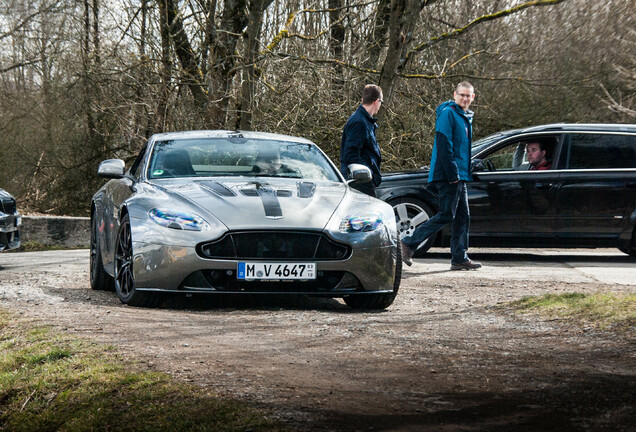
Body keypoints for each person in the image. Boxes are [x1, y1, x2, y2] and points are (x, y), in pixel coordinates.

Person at [400, 82, 482, 271]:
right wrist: (453, 173)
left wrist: (468, 166)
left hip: (460, 175)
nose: (465, 98)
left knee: (463, 216)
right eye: (462, 95)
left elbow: (461, 148)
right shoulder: (448, 114)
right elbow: (445, 145)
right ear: (454, 94)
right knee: (447, 214)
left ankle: (459, 257)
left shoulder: (465, 116)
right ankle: (408, 243)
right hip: (449, 175)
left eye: (468, 96)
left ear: (473, 97)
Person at [340, 84, 383, 197]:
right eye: (381, 102)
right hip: (360, 182)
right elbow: (350, 155)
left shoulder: (364, 121)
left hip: (362, 180)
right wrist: (369, 174)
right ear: (376, 101)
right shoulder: (359, 122)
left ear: (363, 99)